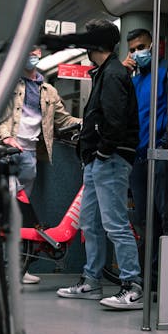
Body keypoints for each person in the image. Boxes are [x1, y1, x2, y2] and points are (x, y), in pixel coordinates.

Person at [55, 19, 143, 310]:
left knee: (115, 223)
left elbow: (115, 122)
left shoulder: (114, 74)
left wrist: (103, 152)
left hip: (110, 160)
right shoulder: (104, 72)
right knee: (90, 223)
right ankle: (91, 281)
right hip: (96, 161)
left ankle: (133, 286)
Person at [0, 45, 81, 283]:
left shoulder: (49, 91)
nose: (30, 56)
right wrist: (6, 138)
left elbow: (63, 119)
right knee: (9, 211)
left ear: (40, 54)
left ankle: (16, 265)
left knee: (20, 215)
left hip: (31, 155)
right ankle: (7, 265)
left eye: (33, 52)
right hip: (10, 153)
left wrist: (88, 121)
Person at [121, 27, 168, 292]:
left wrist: (165, 148)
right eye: (133, 49)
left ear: (155, 46)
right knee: (146, 222)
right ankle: (150, 280)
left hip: (161, 154)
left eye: (142, 47)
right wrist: (124, 74)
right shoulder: (134, 80)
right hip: (138, 157)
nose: (138, 53)